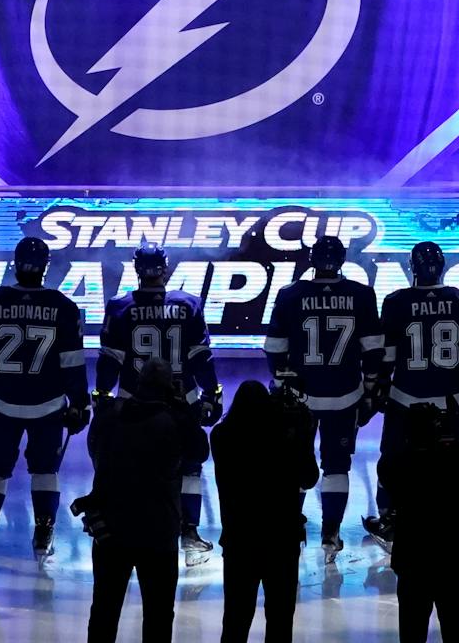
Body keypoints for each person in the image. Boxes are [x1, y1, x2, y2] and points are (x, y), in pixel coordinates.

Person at [0, 234, 88, 561]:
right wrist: (80, 402)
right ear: (46, 266)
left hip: (1, 403)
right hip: (47, 406)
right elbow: (72, 363)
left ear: (15, 264)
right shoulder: (63, 307)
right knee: (45, 471)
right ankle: (44, 530)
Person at [262, 233, 382, 561]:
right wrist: (370, 389)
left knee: (294, 464)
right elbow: (373, 351)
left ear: (313, 260)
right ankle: (331, 534)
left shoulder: (290, 294)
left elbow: (274, 349)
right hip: (344, 395)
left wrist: (285, 382)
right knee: (337, 466)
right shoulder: (362, 294)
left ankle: (291, 525)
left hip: (301, 398)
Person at [99, 246, 222, 565]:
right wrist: (212, 392)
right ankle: (189, 530)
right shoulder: (188, 304)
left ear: (137, 269)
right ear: (165, 269)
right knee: (190, 466)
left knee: (132, 467)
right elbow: (199, 356)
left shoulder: (120, 306)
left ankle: (131, 526)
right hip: (181, 399)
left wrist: (101, 395)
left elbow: (110, 359)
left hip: (135, 402)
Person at [366, 241, 459, 547]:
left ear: (413, 267)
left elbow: (387, 357)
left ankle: (391, 518)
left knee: (392, 459)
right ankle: (447, 517)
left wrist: (377, 386)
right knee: (450, 462)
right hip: (451, 401)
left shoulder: (396, 302)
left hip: (407, 400)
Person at [81, 356, 208, 643]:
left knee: (104, 609)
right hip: (158, 532)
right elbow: (199, 452)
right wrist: (184, 411)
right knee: (159, 614)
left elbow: (94, 452)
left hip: (110, 528)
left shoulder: (108, 415)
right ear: (168, 386)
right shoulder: (174, 420)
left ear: (139, 382)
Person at [211, 380, 318, 643]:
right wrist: (304, 435)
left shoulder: (222, 437)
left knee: (235, 619)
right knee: (281, 620)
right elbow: (309, 478)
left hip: (239, 541)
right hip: (281, 541)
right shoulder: (284, 440)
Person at [379, 403, 459, 643]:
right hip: (452, 561)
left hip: (412, 560)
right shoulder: (454, 461)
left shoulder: (398, 464)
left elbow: (386, 469)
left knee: (412, 637)